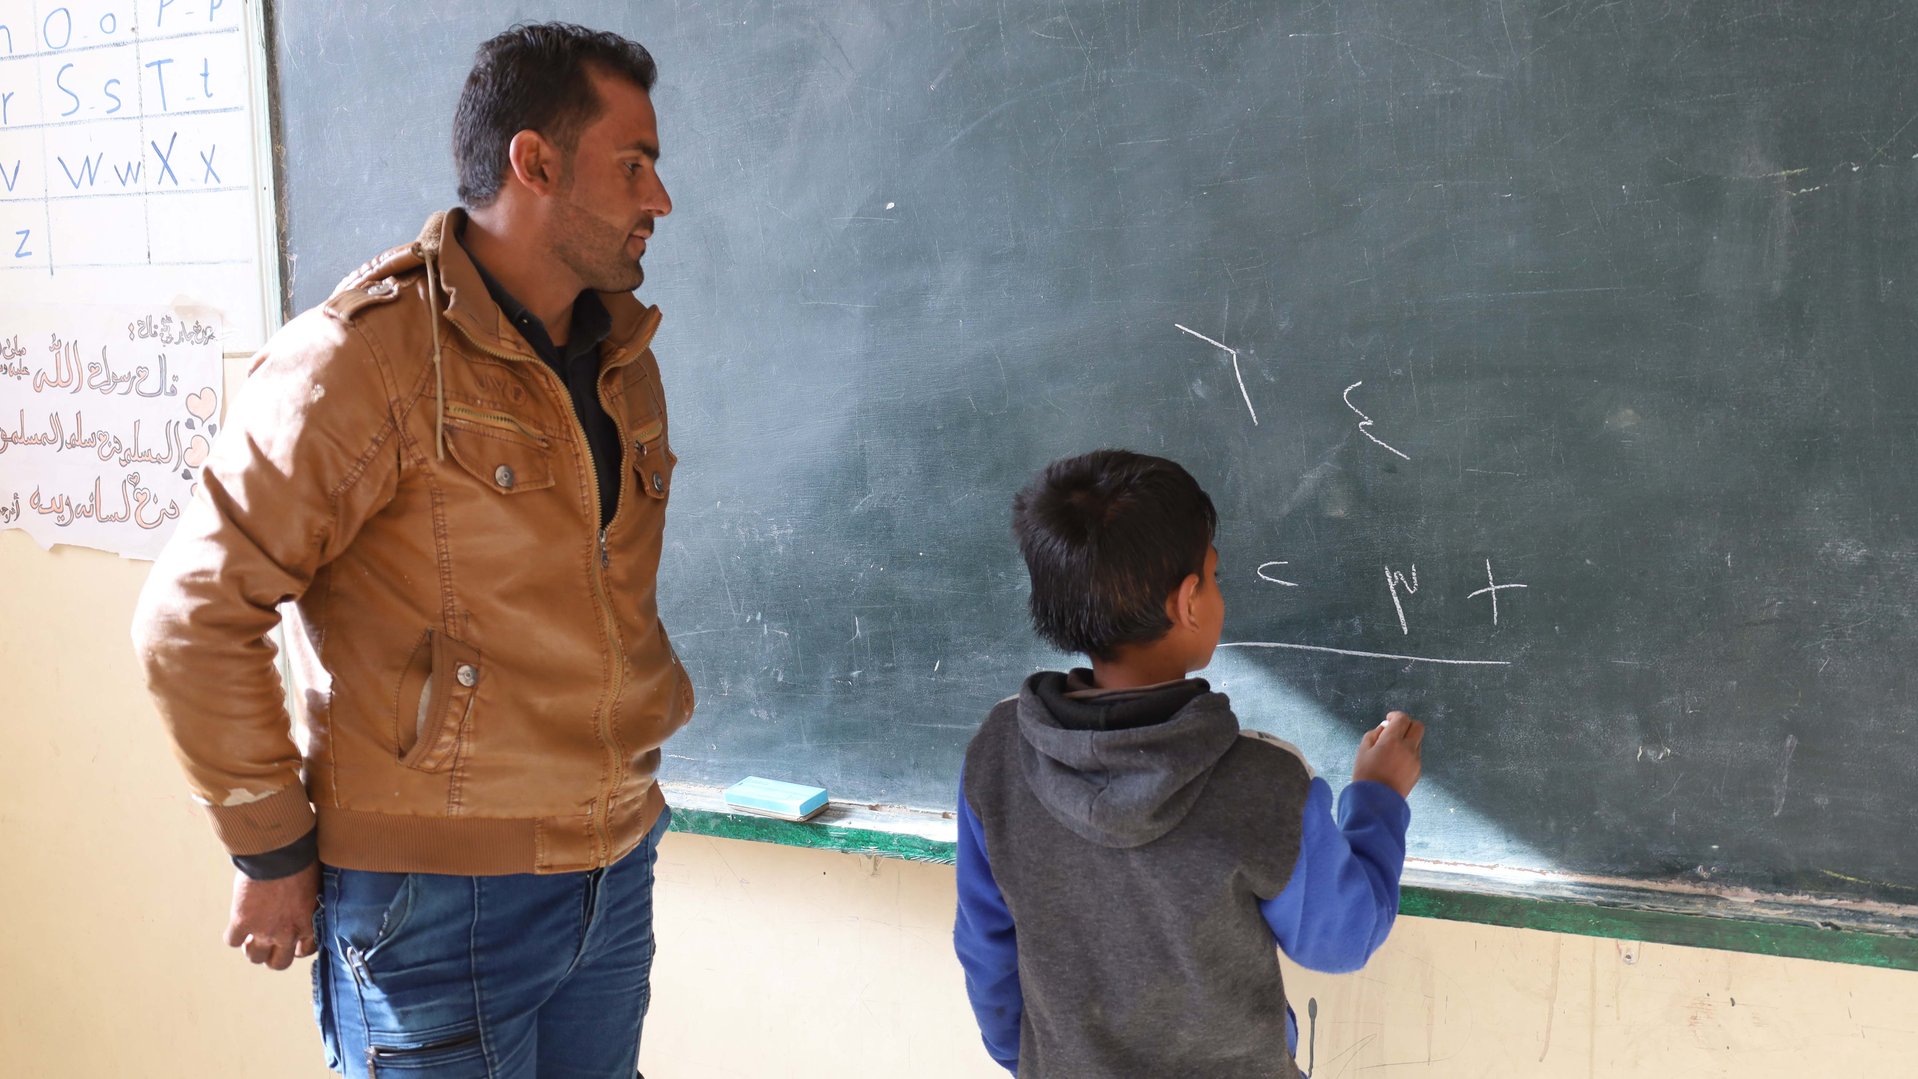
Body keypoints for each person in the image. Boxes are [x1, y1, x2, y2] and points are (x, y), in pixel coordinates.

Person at [131, 22, 686, 1077]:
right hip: (434, 903)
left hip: (610, 869)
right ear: (535, 163)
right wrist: (271, 843)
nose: (658, 198)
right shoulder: (362, 361)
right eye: (634, 164)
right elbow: (191, 612)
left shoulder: (620, 354)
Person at [953, 449, 1424, 1077]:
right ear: (1189, 602)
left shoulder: (997, 754)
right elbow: (1342, 939)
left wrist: (1031, 1061)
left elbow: (986, 946)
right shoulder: (1261, 783)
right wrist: (1378, 800)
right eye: (1215, 573)